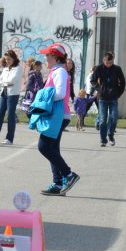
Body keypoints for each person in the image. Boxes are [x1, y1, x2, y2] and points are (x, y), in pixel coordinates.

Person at [32, 42, 80, 196]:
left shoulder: (60, 72)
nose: (45, 58)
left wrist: (42, 95)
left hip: (58, 116)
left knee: (44, 146)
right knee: (53, 149)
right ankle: (58, 183)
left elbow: (60, 93)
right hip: (58, 115)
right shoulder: (56, 71)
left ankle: (69, 175)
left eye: (47, 55)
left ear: (55, 57)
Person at [0, 49, 23, 145]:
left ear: (14, 58)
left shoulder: (18, 68)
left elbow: (13, 80)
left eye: (9, 59)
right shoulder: (5, 69)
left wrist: (4, 83)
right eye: (6, 59)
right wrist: (5, 83)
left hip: (13, 94)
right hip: (3, 93)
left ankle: (9, 139)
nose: (7, 61)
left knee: (10, 116)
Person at [94, 51, 125, 147]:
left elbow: (122, 82)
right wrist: (99, 89)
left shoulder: (117, 69)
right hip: (102, 98)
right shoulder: (99, 68)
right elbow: (93, 80)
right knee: (103, 120)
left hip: (113, 98)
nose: (109, 64)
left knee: (114, 117)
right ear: (103, 60)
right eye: (107, 63)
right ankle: (103, 140)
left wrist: (118, 93)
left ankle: (110, 134)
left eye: (111, 62)